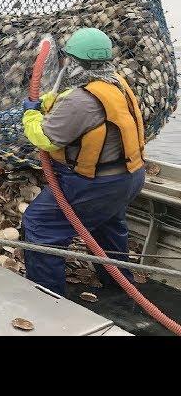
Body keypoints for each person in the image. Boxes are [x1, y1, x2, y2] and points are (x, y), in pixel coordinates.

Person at [21, 27, 146, 296]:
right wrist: (45, 101)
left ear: (75, 63)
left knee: (40, 226)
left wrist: (30, 115)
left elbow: (46, 138)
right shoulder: (116, 84)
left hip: (94, 184)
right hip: (129, 177)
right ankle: (119, 288)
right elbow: (68, 101)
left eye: (68, 59)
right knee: (108, 225)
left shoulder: (81, 100)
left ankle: (49, 300)